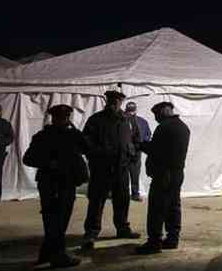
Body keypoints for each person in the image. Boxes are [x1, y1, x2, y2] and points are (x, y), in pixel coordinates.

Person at [23, 104, 89, 268]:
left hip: (63, 182)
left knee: (53, 219)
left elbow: (88, 148)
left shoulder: (70, 135)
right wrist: (49, 163)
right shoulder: (44, 136)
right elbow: (28, 159)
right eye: (62, 117)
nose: (64, 120)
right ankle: (58, 255)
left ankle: (46, 253)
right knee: (57, 220)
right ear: (55, 118)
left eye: (66, 117)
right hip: (53, 183)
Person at [82, 90, 142, 249]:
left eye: (117, 101)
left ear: (121, 103)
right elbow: (86, 142)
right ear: (107, 101)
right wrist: (97, 156)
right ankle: (91, 232)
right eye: (112, 101)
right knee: (97, 200)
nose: (114, 104)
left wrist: (132, 155)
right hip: (101, 168)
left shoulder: (128, 120)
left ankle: (122, 228)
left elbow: (137, 139)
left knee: (122, 200)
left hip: (121, 168)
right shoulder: (96, 120)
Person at [135, 102, 191, 254]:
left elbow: (156, 150)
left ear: (166, 110)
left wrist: (140, 145)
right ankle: (173, 238)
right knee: (173, 206)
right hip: (177, 172)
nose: (156, 118)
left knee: (157, 208)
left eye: (157, 114)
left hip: (164, 173)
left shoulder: (165, 127)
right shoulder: (182, 126)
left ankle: (154, 242)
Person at [124, 101, 152, 202]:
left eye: (132, 110)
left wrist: (142, 145)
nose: (131, 113)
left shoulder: (142, 121)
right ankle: (122, 194)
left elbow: (148, 134)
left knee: (135, 174)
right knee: (122, 175)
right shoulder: (121, 121)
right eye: (129, 110)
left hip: (136, 152)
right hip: (124, 152)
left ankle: (135, 194)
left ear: (135, 110)